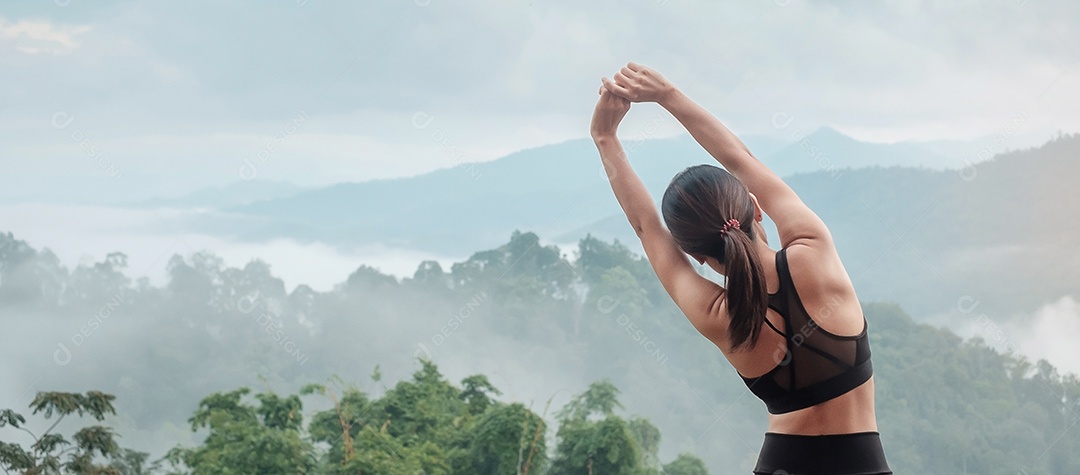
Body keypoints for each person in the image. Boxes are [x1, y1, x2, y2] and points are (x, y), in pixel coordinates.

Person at [590, 62, 891, 475]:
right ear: (755, 208)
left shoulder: (718, 315)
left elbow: (647, 230)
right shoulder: (812, 253)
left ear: (696, 255)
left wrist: (605, 139)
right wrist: (667, 95)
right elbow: (739, 158)